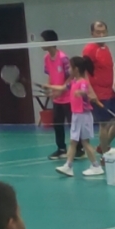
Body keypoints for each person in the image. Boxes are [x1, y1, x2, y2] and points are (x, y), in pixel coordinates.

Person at [55, 56, 103, 178]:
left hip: (83, 115)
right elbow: (62, 88)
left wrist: (80, 93)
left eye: (70, 67)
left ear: (76, 69)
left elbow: (84, 91)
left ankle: (95, 166)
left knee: (84, 142)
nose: (68, 69)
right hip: (76, 115)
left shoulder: (83, 82)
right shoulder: (73, 82)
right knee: (74, 141)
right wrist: (49, 87)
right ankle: (69, 166)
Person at [83, 21, 115, 157]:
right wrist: (90, 92)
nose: (101, 35)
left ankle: (102, 147)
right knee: (104, 124)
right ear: (92, 33)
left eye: (103, 32)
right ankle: (105, 155)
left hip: (111, 91)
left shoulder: (106, 48)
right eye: (98, 32)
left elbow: (111, 68)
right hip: (99, 93)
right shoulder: (89, 50)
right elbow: (84, 72)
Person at [40, 30, 70, 160]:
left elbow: (70, 77)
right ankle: (61, 149)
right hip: (57, 99)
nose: (40, 43)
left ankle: (79, 149)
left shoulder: (63, 58)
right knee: (57, 124)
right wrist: (48, 87)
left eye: (42, 41)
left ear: (50, 42)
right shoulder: (46, 58)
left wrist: (62, 89)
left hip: (68, 97)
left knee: (73, 125)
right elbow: (50, 75)